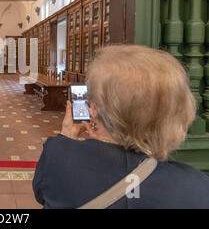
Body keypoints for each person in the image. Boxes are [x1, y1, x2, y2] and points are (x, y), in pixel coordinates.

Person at [33, 45, 209, 209]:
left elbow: (42, 193)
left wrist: (66, 139)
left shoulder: (57, 155)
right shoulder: (197, 189)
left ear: (94, 109)